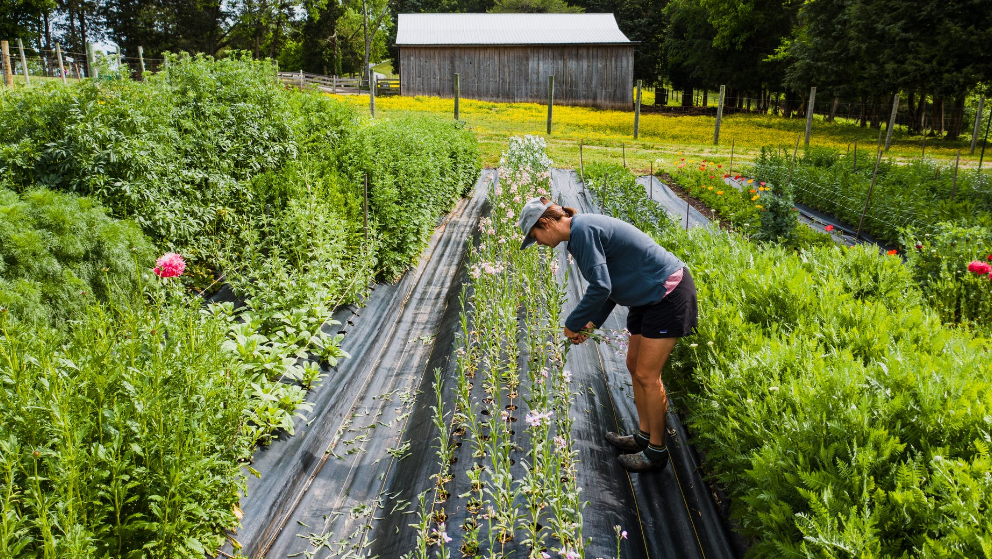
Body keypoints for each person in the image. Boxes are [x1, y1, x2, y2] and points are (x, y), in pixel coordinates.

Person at [517, 197, 698, 472]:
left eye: (535, 237)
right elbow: (610, 286)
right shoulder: (578, 234)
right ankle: (644, 436)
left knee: (649, 376)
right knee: (634, 366)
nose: (538, 243)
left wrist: (573, 321)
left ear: (544, 223)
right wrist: (590, 324)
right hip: (645, 298)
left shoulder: (583, 231)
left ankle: (657, 452)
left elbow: (600, 287)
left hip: (667, 294)